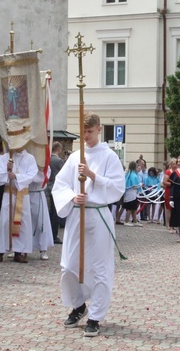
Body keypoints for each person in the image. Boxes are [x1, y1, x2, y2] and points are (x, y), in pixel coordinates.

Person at [52, 112, 125, 338]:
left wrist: (93, 176)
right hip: (77, 214)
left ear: (99, 129)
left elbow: (117, 188)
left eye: (90, 132)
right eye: (83, 132)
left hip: (98, 215)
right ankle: (79, 305)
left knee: (100, 268)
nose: (86, 136)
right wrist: (73, 197)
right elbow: (60, 184)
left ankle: (95, 316)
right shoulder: (75, 157)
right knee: (69, 265)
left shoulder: (109, 156)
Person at [0, 146, 38, 263]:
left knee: (22, 223)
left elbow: (32, 174)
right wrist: (7, 171)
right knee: (5, 221)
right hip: (9, 194)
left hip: (23, 194)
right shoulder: (6, 157)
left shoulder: (30, 158)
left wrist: (16, 176)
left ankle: (19, 252)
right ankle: (0, 252)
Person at [29, 167, 55, 260]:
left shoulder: (45, 165)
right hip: (24, 194)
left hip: (37, 194)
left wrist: (27, 176)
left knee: (41, 223)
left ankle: (43, 249)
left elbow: (42, 178)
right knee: (24, 222)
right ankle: (20, 249)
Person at [47, 141, 65, 244]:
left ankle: (50, 233)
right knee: (55, 213)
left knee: (51, 212)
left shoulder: (48, 159)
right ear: (58, 149)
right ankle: (54, 235)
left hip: (48, 187)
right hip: (56, 188)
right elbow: (64, 174)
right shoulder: (58, 161)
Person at [122, 161, 142, 226]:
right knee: (130, 208)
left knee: (134, 208)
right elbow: (134, 185)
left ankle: (135, 221)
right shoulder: (133, 175)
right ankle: (126, 221)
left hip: (131, 194)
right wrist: (140, 185)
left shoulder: (129, 173)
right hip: (131, 194)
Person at [162, 158, 178, 233]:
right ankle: (168, 224)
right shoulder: (168, 172)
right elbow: (164, 182)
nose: (175, 165)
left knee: (175, 208)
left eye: (176, 164)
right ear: (171, 165)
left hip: (176, 191)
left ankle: (174, 224)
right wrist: (172, 184)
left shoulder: (178, 172)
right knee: (168, 208)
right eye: (173, 164)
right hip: (169, 190)